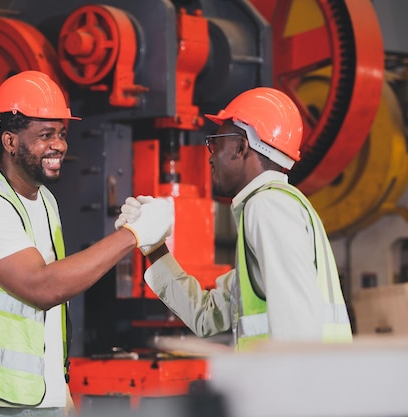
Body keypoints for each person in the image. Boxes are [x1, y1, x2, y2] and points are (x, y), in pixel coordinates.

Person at [0, 70, 172, 417]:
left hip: (32, 398)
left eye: (61, 133)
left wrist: (59, 390)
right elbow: (42, 287)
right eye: (45, 135)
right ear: (9, 141)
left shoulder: (45, 202)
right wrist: (133, 235)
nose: (59, 145)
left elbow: (48, 312)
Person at [117, 87, 353, 351]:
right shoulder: (274, 206)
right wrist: (152, 244)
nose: (211, 156)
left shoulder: (267, 206)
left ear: (241, 147)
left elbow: (294, 323)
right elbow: (205, 315)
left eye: (216, 143)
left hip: (297, 389)